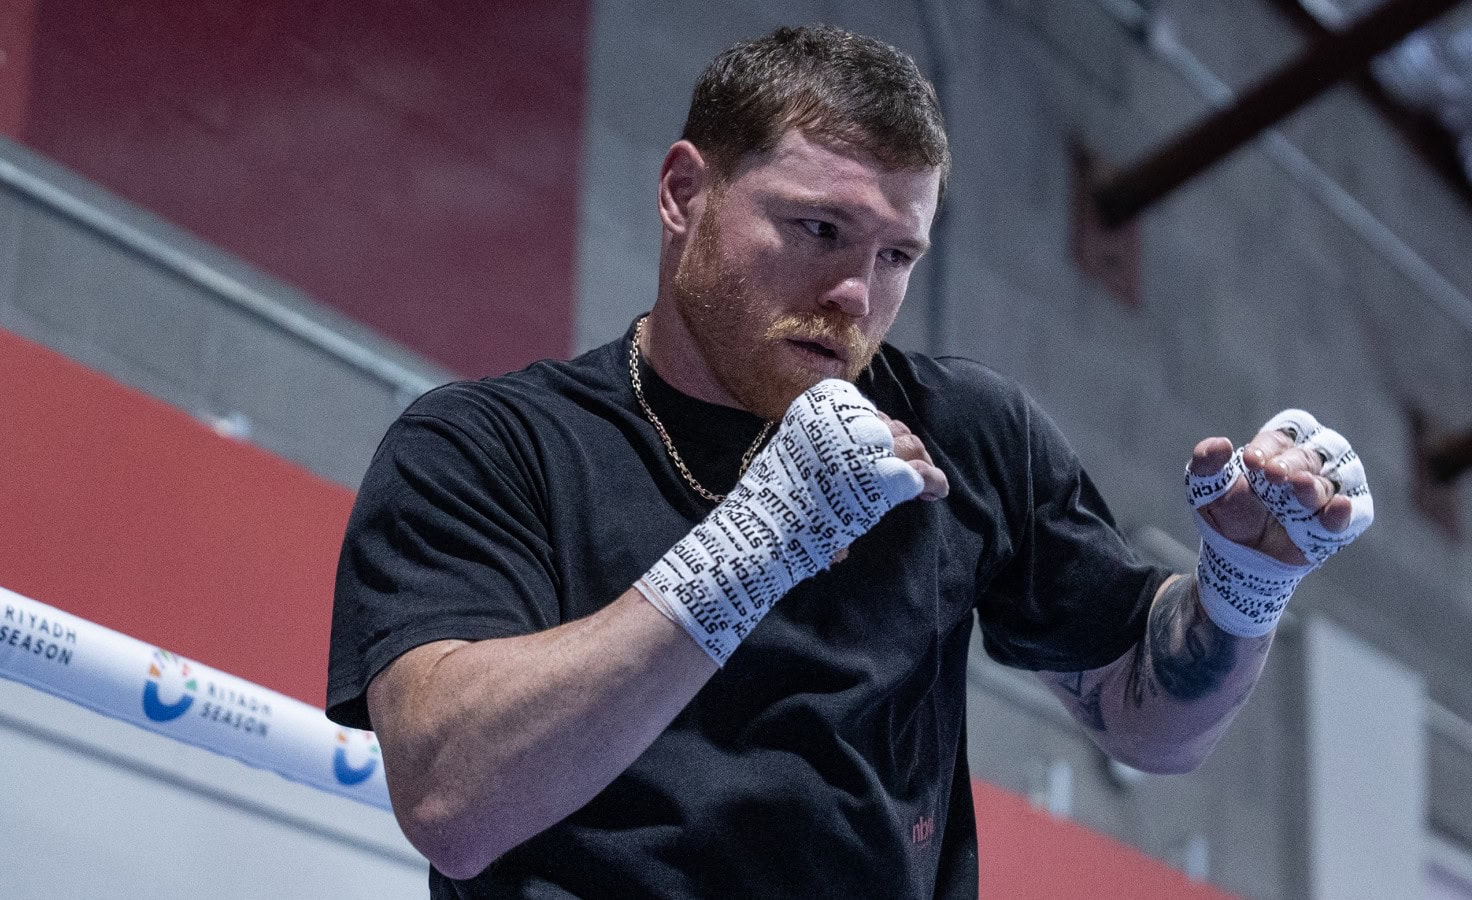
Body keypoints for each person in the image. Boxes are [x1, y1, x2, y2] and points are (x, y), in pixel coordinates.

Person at [326, 24, 1372, 899]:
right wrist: (752, 545)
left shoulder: (962, 433)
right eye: (819, 229)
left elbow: (1154, 728)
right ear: (684, 192)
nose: (854, 296)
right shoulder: (488, 447)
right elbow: (450, 801)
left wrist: (1245, 584)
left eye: (896, 255)